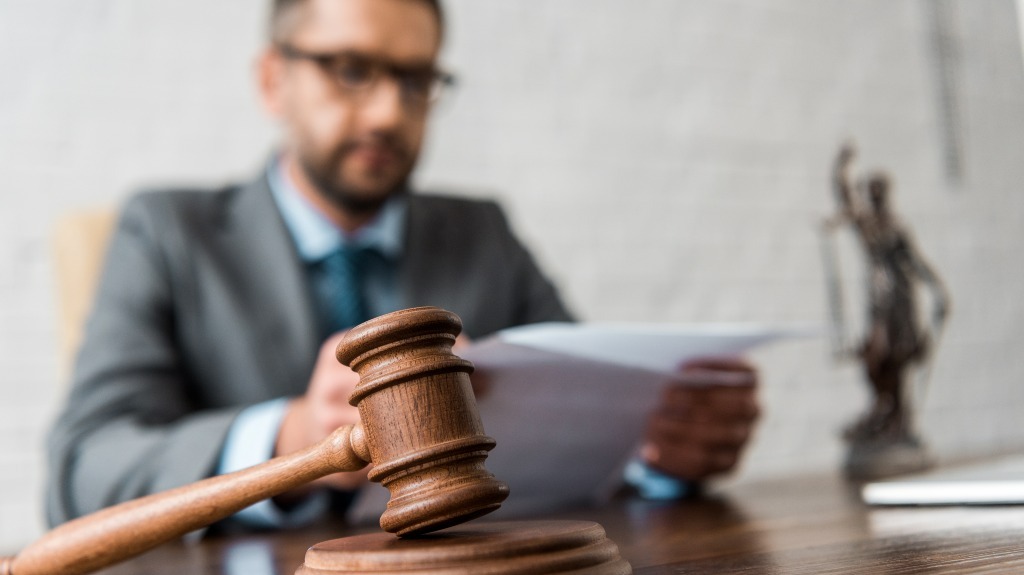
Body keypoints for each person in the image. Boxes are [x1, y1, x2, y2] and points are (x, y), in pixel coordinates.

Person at [46, 0, 760, 528]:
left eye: (416, 80)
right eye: (350, 70)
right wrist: (295, 438)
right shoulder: (167, 231)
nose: (389, 112)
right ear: (273, 81)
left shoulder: (483, 232)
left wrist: (655, 450)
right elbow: (83, 469)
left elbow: (586, 416)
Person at [829, 143, 950, 444]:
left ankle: (897, 417)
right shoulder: (867, 223)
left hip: (900, 297)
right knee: (874, 356)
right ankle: (883, 408)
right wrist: (841, 166)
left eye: (878, 190)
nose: (874, 195)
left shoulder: (897, 225)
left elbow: (915, 261)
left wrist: (938, 288)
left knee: (897, 359)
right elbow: (844, 194)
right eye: (870, 190)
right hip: (877, 298)